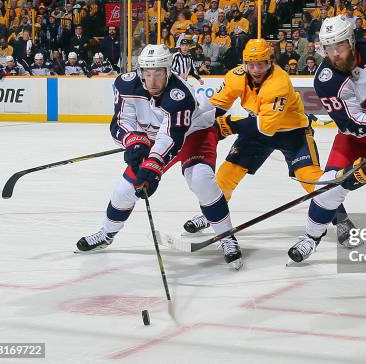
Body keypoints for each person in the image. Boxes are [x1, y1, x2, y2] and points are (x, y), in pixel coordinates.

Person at [76, 44, 243, 269]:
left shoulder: (180, 94)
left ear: (168, 71)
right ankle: (106, 233)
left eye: (158, 73)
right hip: (157, 136)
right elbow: (121, 121)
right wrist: (134, 142)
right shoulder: (125, 84)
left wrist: (152, 167)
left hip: (196, 132)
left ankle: (226, 236)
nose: (152, 80)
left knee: (201, 179)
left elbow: (171, 138)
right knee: (125, 189)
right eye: (147, 73)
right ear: (140, 71)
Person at [181, 39, 326, 243]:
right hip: (258, 128)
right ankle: (211, 215)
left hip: (293, 132)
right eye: (251, 64)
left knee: (310, 178)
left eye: (261, 64)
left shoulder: (279, 82)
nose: (256, 69)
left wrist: (229, 124)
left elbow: (266, 127)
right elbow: (215, 108)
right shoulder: (236, 76)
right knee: (226, 174)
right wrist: (192, 125)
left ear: (270, 62)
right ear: (244, 63)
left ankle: (340, 219)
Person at [287, 15, 366, 261]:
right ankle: (311, 237)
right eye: (328, 48)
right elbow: (351, 122)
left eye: (339, 46)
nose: (334, 54)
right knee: (329, 185)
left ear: (351, 41)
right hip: (361, 135)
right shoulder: (326, 80)